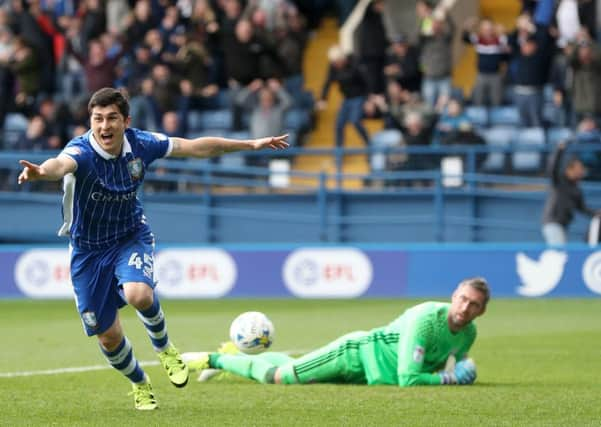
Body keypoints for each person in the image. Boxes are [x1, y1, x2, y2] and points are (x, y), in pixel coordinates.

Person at [16, 87, 288, 410]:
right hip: (87, 252)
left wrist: (250, 144)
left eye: (112, 118)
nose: (104, 126)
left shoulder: (142, 144)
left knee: (138, 294)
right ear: (90, 122)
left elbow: (196, 148)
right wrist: (40, 172)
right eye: (97, 119)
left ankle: (165, 348)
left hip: (130, 236)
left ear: (126, 121)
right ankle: (140, 383)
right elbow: (59, 165)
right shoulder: (81, 152)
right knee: (108, 336)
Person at [186, 277, 489, 387]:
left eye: (473, 305)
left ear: (481, 311)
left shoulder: (468, 333)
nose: (465, 308)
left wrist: (464, 369)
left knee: (295, 365)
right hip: (355, 355)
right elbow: (409, 378)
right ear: (453, 296)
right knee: (280, 377)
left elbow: (452, 362)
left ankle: (236, 354)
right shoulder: (426, 318)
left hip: (372, 374)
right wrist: (451, 380)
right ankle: (215, 359)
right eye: (462, 299)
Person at [542, 141, 597, 245]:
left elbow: (582, 208)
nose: (581, 171)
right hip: (553, 222)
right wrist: (559, 150)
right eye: (578, 168)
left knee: (561, 250)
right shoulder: (559, 181)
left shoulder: (577, 189)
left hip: (563, 225)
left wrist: (596, 213)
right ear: (569, 170)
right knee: (559, 251)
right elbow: (552, 168)